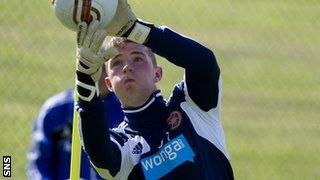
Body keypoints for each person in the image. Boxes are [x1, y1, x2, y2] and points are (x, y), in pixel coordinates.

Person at [75, 0, 234, 179]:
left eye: (138, 58)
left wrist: (139, 30)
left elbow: (203, 63)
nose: (127, 67)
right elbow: (100, 157)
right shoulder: (123, 145)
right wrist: (86, 81)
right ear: (109, 84)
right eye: (117, 62)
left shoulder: (192, 109)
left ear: (157, 74)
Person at [27, 66, 124, 179]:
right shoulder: (57, 109)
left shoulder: (126, 111)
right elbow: (39, 164)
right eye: (92, 69)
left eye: (104, 70)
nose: (96, 77)